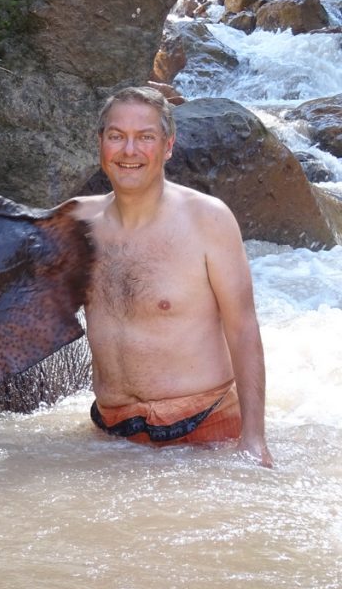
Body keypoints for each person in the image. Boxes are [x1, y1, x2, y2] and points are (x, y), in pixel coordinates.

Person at [72, 86, 273, 467]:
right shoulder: (77, 221)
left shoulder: (208, 219)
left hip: (204, 432)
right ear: (100, 143)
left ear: (168, 146)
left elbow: (243, 329)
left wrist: (253, 439)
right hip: (109, 433)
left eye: (145, 137)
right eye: (116, 136)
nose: (129, 150)